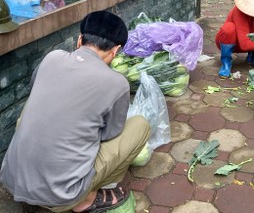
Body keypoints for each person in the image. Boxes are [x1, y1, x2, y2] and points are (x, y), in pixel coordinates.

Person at [0, 11, 151, 213]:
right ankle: (88, 197)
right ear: (115, 51)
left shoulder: (51, 58)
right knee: (140, 125)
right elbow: (110, 134)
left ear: (80, 40)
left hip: (12, 179)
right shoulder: (117, 83)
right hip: (62, 196)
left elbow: (35, 88)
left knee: (31, 107)